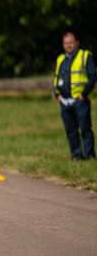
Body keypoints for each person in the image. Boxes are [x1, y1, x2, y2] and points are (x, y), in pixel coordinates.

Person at [54, 32, 96, 160]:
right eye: (66, 43)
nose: (68, 45)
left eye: (71, 43)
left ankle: (89, 155)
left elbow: (93, 76)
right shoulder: (60, 59)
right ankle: (76, 155)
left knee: (85, 129)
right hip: (65, 101)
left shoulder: (85, 56)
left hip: (80, 101)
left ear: (77, 43)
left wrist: (84, 94)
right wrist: (57, 95)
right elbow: (56, 78)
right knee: (71, 131)